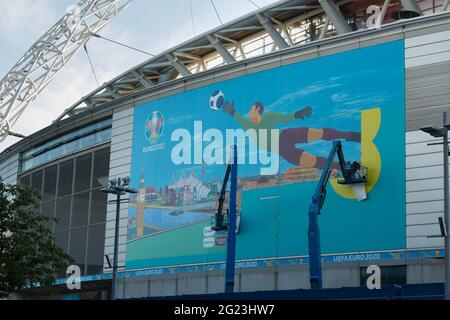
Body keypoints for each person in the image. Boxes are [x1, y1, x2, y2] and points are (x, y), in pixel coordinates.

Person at [223, 100, 361, 170]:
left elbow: (284, 118)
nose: (249, 112)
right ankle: (344, 166)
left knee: (318, 133)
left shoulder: (269, 116)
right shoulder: (249, 126)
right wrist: (231, 111)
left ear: (257, 109)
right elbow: (239, 117)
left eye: (251, 109)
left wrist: (298, 114)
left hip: (287, 136)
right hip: (284, 152)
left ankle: (351, 135)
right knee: (313, 161)